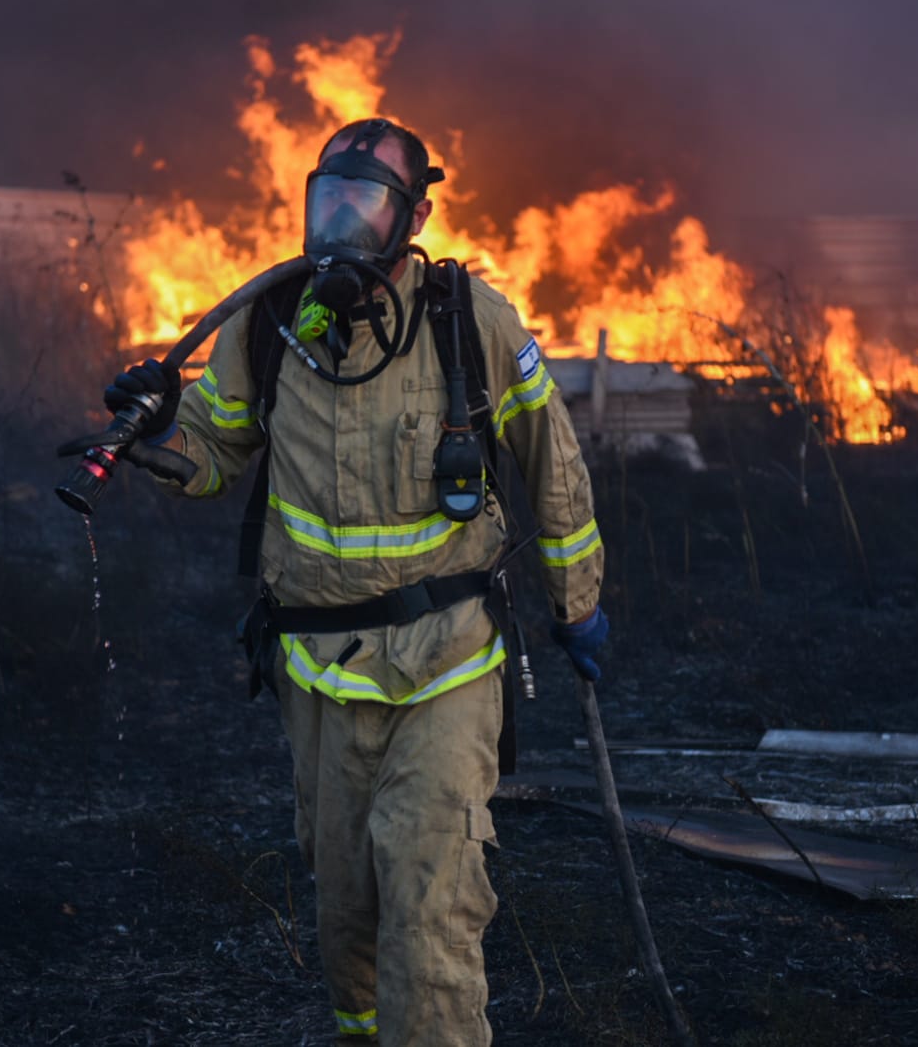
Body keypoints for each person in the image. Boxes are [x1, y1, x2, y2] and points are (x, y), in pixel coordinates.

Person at [102, 118, 607, 1046]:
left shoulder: (469, 320)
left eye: (365, 205)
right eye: (326, 201)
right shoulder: (269, 322)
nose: (340, 226)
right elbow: (215, 454)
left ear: (412, 216)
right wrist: (156, 438)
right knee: (347, 910)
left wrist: (578, 605)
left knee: (430, 900)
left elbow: (553, 460)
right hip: (319, 672)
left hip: (445, 661)